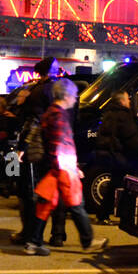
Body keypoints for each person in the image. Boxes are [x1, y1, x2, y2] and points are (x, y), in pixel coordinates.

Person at [24, 78, 103, 255]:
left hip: (55, 166)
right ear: (66, 95)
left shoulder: (51, 113)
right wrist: (72, 168)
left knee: (45, 203)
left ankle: (33, 242)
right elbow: (61, 143)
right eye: (75, 95)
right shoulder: (59, 116)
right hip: (62, 168)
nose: (76, 99)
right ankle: (88, 241)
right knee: (76, 203)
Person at [10, 57, 68, 245]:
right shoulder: (62, 90)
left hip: (39, 146)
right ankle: (58, 235)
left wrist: (22, 148)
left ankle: (31, 233)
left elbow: (32, 122)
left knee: (31, 192)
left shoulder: (37, 91)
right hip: (61, 144)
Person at [92, 89, 138, 221]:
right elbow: (131, 137)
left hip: (112, 155)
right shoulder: (124, 116)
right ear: (122, 101)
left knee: (114, 185)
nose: (129, 101)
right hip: (122, 156)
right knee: (130, 185)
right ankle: (123, 215)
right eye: (128, 99)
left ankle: (105, 214)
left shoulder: (109, 114)